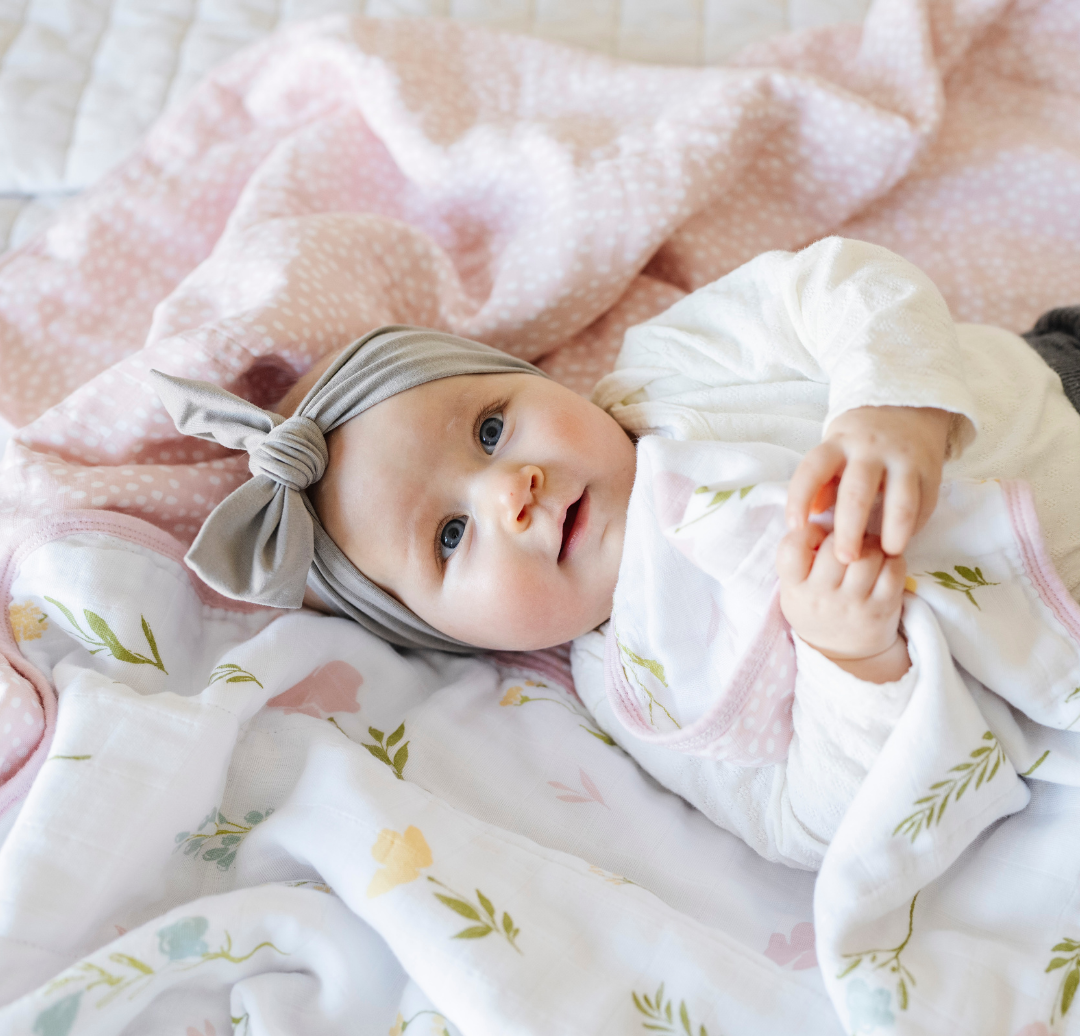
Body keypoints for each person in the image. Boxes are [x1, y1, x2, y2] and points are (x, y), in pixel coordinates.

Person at [150, 236, 1080, 868]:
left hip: (1049, 385)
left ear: (530, 379)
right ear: (453, 636)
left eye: (487, 430)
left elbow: (835, 282)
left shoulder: (668, 367)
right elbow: (806, 823)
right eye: (448, 536)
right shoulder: (641, 683)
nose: (507, 489)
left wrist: (890, 405)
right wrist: (850, 661)